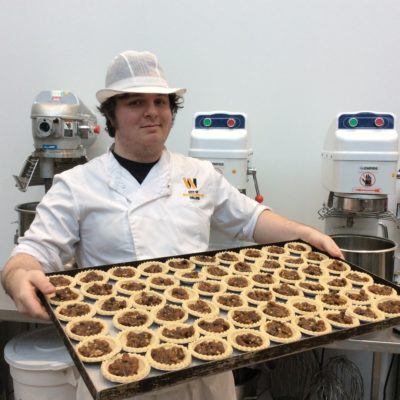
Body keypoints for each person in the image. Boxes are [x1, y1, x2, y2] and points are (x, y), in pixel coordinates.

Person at [1, 50, 342, 400]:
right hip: (121, 364)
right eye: (135, 101)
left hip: (205, 358)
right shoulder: (77, 185)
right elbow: (31, 253)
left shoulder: (198, 174)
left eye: (161, 102)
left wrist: (305, 233)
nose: (152, 111)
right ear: (112, 115)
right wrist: (17, 275)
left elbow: (252, 219)